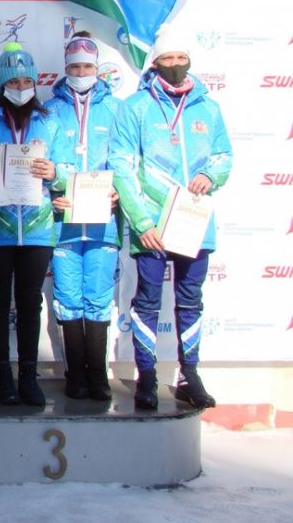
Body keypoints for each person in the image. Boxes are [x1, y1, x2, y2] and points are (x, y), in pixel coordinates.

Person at [108, 26, 232, 410]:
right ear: (155, 63)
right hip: (153, 224)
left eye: (181, 59)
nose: (175, 65)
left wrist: (210, 175)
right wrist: (141, 222)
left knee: (190, 300)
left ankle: (188, 374)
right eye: (168, 59)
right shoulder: (136, 106)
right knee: (146, 301)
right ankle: (147, 374)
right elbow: (122, 166)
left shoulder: (207, 107)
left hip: (194, 221)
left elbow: (224, 155)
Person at [0, 42, 70, 406]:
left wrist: (56, 173)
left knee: (29, 303)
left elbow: (68, 171)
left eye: (27, 79)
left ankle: (29, 375)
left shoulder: (50, 121)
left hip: (38, 227)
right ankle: (2, 375)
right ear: (2, 82)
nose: (22, 86)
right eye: (15, 80)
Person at [45, 33, 122, 401]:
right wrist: (53, 192)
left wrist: (119, 189)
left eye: (87, 67)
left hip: (103, 221)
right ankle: (75, 374)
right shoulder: (50, 109)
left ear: (97, 69)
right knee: (67, 298)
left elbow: (126, 159)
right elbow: (38, 162)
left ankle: (99, 375)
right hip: (65, 222)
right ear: (66, 68)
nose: (80, 72)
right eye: (74, 66)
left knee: (98, 297)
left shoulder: (116, 109)